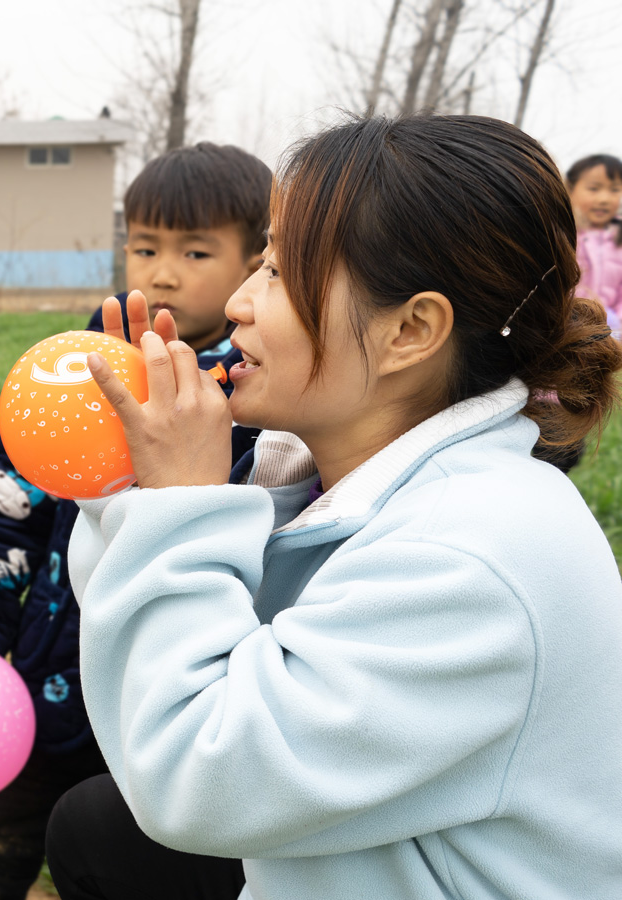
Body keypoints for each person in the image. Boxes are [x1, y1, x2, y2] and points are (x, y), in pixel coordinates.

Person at [46, 114, 622, 899]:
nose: (242, 303)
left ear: (410, 331)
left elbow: (192, 773)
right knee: (95, 827)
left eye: (282, 273)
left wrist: (180, 505)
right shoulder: (338, 477)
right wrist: (133, 491)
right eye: (261, 263)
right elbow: (163, 666)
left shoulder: (472, 559)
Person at [0, 142, 270, 900]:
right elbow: (3, 518)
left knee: (109, 850)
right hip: (41, 682)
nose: (163, 271)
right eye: (146, 245)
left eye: (196, 250)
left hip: (161, 705)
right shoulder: (71, 372)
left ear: (256, 262)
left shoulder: (259, 401)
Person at [567, 153, 622, 333]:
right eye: (594, 188)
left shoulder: (619, 239)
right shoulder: (563, 235)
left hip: (613, 336)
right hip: (567, 330)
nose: (604, 199)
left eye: (614, 190)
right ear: (570, 189)